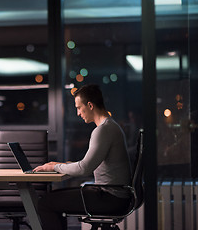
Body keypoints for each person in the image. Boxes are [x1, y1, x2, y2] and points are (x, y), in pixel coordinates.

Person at [33, 84, 132, 230]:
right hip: (113, 196)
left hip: (110, 198)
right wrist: (61, 164)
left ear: (90, 105)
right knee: (52, 198)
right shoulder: (110, 126)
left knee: (45, 203)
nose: (78, 113)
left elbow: (84, 168)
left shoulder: (103, 130)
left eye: (79, 108)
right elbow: (88, 164)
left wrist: (54, 167)